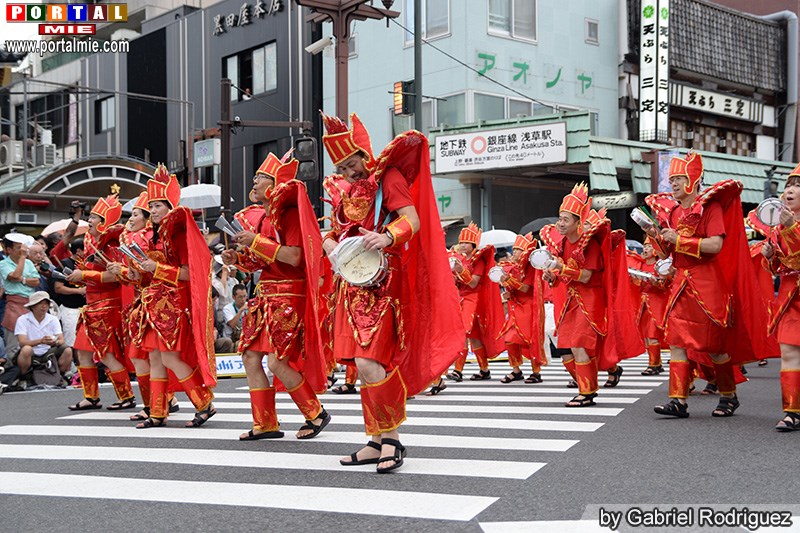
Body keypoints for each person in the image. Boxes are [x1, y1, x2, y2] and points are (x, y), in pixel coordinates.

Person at [321, 112, 464, 472]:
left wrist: (386, 236)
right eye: (341, 165)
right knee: (361, 363)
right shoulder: (347, 191)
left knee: (371, 361)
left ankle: (393, 441)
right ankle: (375, 439)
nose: (348, 171)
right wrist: (328, 243)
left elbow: (411, 219)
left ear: (364, 154)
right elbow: (339, 233)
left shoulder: (389, 177)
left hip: (384, 282)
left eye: (351, 162)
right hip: (351, 285)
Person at [648, 152, 775, 418]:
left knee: (715, 347)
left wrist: (680, 241)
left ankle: (729, 395)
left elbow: (716, 245)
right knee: (677, 342)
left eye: (680, 178)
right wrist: (656, 237)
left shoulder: (710, 207)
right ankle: (678, 400)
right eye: (672, 179)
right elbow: (665, 253)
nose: (674, 183)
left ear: (693, 180)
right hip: (681, 283)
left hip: (708, 284)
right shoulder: (672, 212)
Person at [222, 151, 328, 441]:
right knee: (249, 356)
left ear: (275, 183)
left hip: (288, 296)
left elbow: (295, 257)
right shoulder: (263, 218)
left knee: (277, 362)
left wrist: (255, 242)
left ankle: (315, 412)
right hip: (265, 295)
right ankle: (265, 423)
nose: (254, 182)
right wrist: (238, 258)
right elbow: (262, 262)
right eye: (255, 177)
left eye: (261, 178)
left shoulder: (290, 213)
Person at [134, 164, 216, 429]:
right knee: (155, 358)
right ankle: (157, 413)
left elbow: (189, 273)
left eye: (159, 205)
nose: (154, 210)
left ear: (170, 206)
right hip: (154, 304)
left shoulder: (179, 231)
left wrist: (155, 268)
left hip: (173, 304)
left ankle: (204, 402)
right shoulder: (158, 235)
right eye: (152, 206)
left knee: (169, 357)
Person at [65, 195, 136, 411]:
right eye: (91, 216)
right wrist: (81, 276)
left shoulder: (113, 245)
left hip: (106, 306)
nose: (90, 221)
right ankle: (91, 396)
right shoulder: (90, 242)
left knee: (106, 353)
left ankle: (126, 396)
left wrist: (85, 275)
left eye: (95, 217)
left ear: (105, 222)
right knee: (82, 351)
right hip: (91, 305)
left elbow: (116, 277)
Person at [761, 170, 800, 430]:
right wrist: (769, 256)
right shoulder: (778, 224)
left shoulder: (785, 225)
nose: (791, 190)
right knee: (788, 351)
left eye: (798, 186)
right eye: (789, 186)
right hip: (789, 296)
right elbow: (778, 268)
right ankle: (792, 411)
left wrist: (791, 229)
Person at [445, 223, 504, 383]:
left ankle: (458, 370)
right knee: (474, 336)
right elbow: (460, 282)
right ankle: (484, 369)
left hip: (474, 299)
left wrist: (460, 272)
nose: (462, 245)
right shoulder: (460, 259)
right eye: (461, 242)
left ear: (473, 245)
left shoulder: (479, 261)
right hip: (462, 299)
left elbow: (473, 283)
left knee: (463, 332)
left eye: (466, 242)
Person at [496, 233, 546, 384]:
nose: (514, 252)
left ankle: (536, 372)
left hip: (529, 306)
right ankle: (516, 370)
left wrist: (509, 281)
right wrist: (508, 291)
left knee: (530, 339)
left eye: (518, 249)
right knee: (510, 339)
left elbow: (526, 289)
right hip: (516, 306)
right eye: (515, 249)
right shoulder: (513, 267)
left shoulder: (531, 267)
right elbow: (515, 288)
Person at [632, 237, 670, 375]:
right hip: (643, 304)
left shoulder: (661, 265)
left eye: (648, 246)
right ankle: (656, 363)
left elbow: (665, 285)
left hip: (656, 303)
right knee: (647, 335)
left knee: (652, 334)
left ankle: (654, 364)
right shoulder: (640, 265)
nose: (645, 249)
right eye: (645, 246)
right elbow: (638, 285)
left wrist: (655, 282)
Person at [1, 234, 43, 359]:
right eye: (19, 247)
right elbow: (14, 276)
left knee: (31, 338)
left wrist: (22, 279)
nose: (23, 250)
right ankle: (12, 372)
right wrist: (23, 258)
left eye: (23, 247)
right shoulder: (3, 264)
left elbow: (36, 281)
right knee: (13, 342)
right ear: (9, 250)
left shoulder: (29, 263)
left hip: (31, 303)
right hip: (14, 303)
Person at [14, 291, 72, 378]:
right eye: (40, 304)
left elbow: (61, 339)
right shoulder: (22, 319)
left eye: (46, 303)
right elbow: (22, 342)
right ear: (32, 306)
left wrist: (54, 342)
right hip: (31, 353)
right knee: (26, 349)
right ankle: (23, 376)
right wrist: (40, 341)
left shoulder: (53, 319)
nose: (44, 306)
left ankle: (60, 375)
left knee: (67, 350)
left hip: (48, 351)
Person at [53, 238, 86, 352]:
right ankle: (73, 367)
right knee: (71, 342)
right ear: (78, 251)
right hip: (70, 309)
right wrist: (79, 291)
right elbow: (58, 288)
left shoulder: (87, 265)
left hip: (85, 310)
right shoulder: (65, 264)